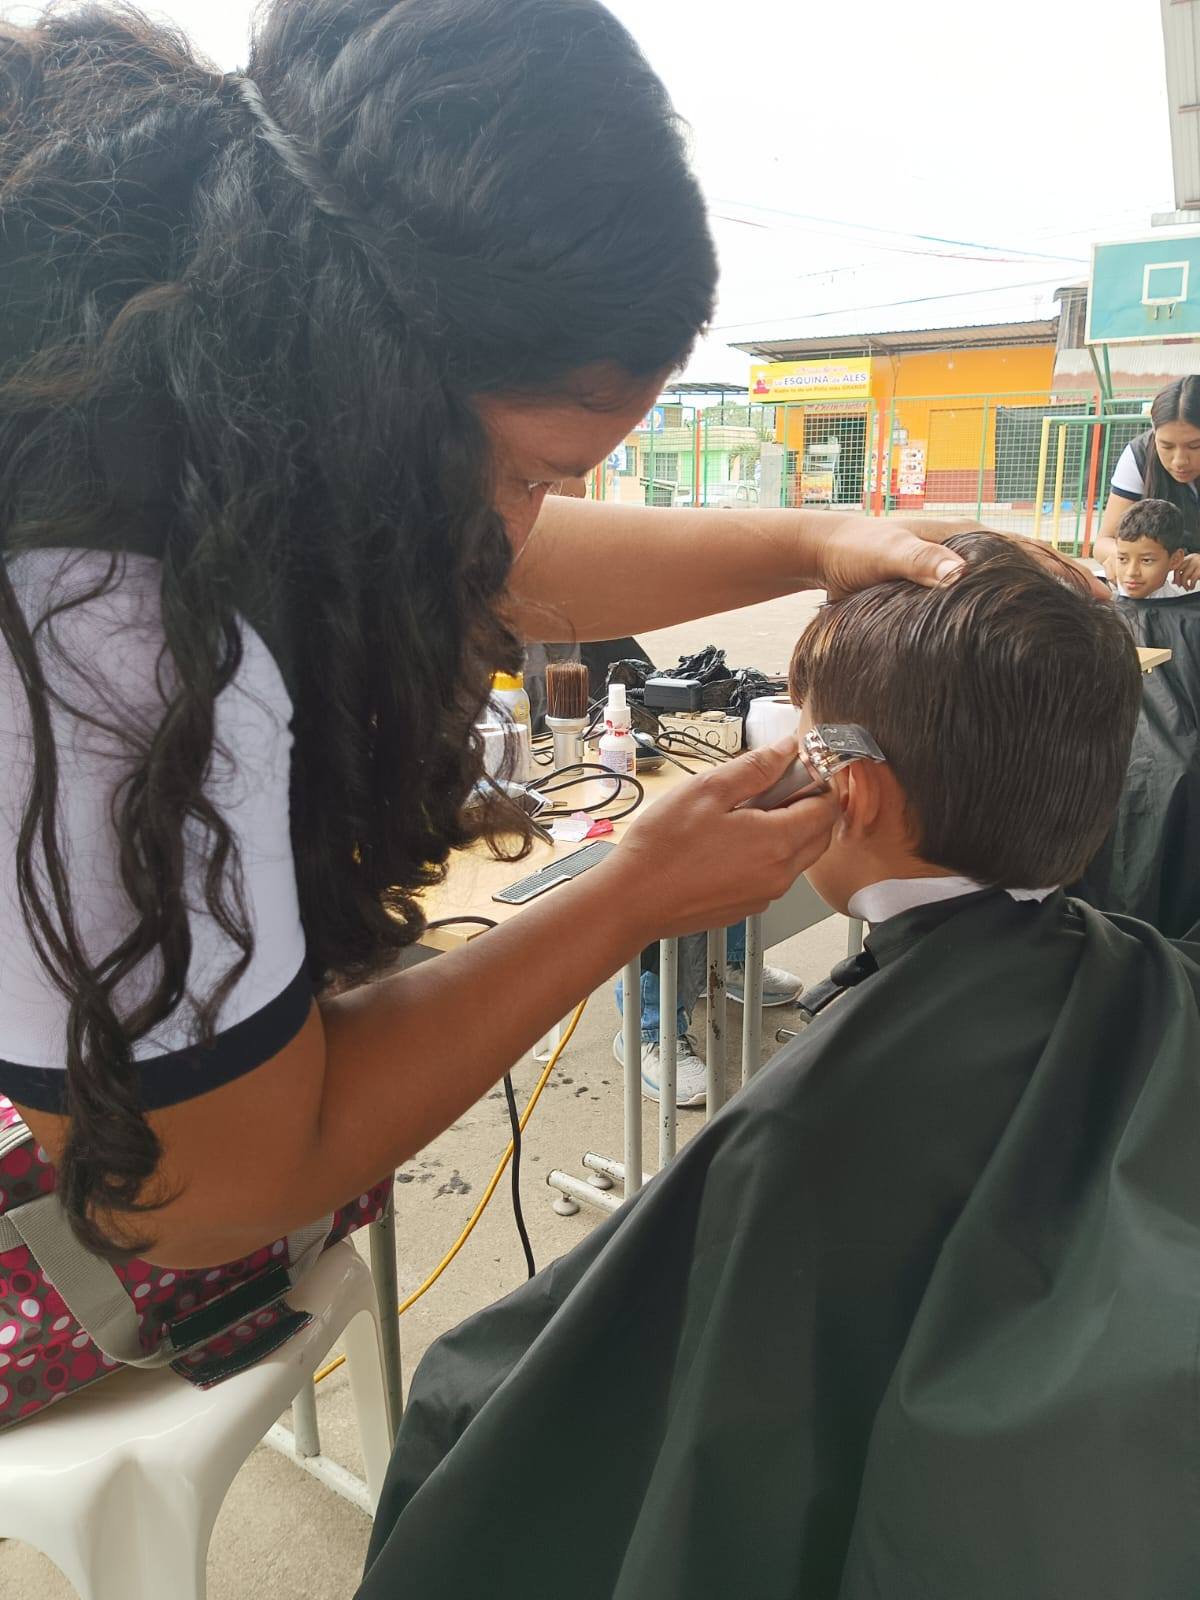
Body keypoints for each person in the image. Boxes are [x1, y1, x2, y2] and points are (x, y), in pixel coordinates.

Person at [0, 0, 975, 1419]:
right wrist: (627, 898)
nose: (520, 527)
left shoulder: (207, 392)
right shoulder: (105, 642)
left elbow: (477, 534)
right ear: (374, 384)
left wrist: (813, 541)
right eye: (529, 470)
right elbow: (193, 1196)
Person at [359, 534, 1200, 1600]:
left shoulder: (797, 1137)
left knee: (459, 1390)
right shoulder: (1152, 978)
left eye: (799, 732)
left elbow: (545, 1425)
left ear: (849, 785)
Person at [1093, 376, 1200, 583]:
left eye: (1195, 446)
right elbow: (1104, 542)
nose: (1180, 461)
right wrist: (1125, 559)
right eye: (1166, 446)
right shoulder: (1138, 456)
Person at [1112, 497, 1189, 598]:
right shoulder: (1103, 598)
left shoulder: (1180, 606)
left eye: (1146, 560)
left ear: (1175, 560)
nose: (1131, 572)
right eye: (1122, 559)